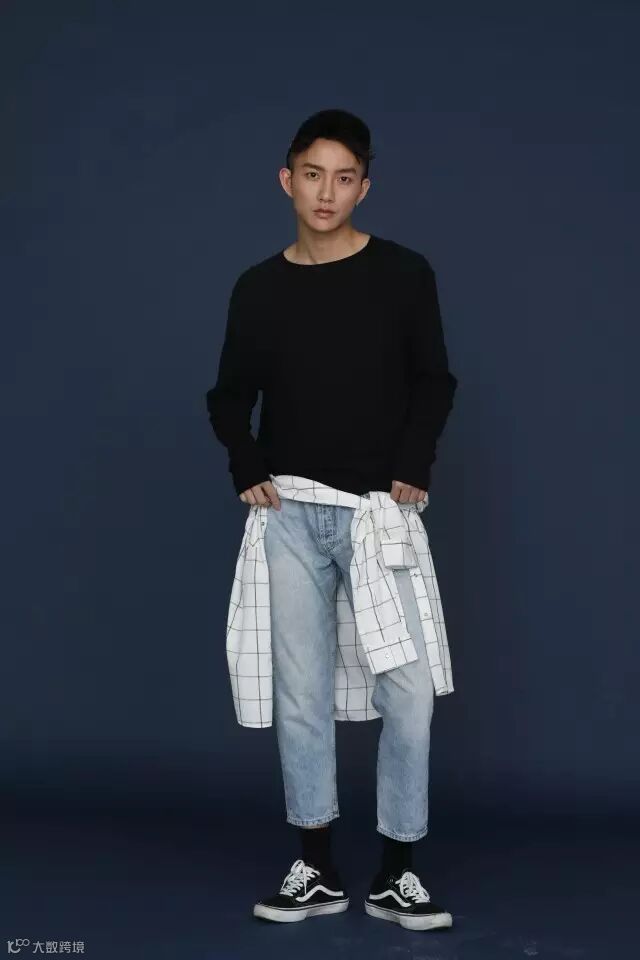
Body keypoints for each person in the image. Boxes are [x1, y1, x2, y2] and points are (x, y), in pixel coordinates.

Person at [205, 108, 458, 931]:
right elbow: (228, 397)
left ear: (363, 188)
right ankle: (314, 866)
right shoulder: (259, 287)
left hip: (377, 513)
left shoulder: (403, 274)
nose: (326, 192)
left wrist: (413, 464)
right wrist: (247, 465)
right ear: (288, 180)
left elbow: (434, 380)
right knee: (302, 692)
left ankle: (398, 871)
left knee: (407, 690)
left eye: (344, 178)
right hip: (289, 513)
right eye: (313, 175)